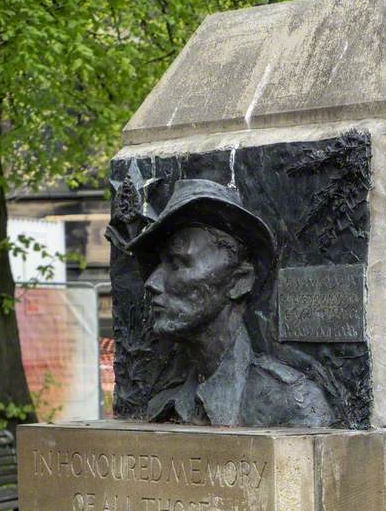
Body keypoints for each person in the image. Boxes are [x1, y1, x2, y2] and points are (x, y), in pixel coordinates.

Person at [126, 179, 335, 427]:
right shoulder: (162, 405)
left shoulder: (292, 404)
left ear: (239, 281)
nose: (152, 282)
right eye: (158, 264)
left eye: (178, 263)